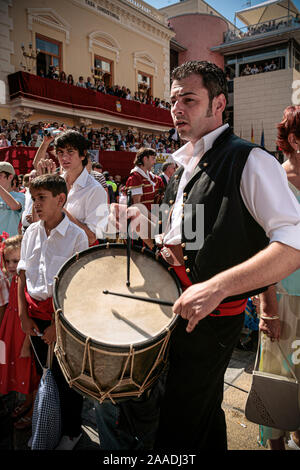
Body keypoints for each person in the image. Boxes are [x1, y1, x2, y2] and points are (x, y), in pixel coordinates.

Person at [96, 60, 300, 451]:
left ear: (219, 103)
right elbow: (185, 236)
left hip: (211, 321)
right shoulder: (182, 166)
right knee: (199, 416)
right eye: (173, 100)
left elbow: (293, 244)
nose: (177, 109)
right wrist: (140, 223)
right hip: (175, 309)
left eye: (189, 99)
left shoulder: (250, 160)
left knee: (180, 423)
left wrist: (218, 287)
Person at [17, 174, 89, 450]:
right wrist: (24, 315)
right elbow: (23, 276)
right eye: (34, 198)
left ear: (61, 200)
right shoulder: (32, 232)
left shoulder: (76, 236)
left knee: (67, 379)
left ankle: (72, 431)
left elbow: (79, 286)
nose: (36, 204)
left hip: (62, 319)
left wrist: (58, 326)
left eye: (42, 198)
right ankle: (50, 422)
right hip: (34, 319)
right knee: (44, 372)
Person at [258, 105, 300, 451]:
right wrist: (267, 308)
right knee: (277, 379)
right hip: (284, 298)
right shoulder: (276, 184)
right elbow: (262, 250)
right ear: (295, 141)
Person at [32, 130, 109, 245]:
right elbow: (37, 220)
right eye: (60, 152)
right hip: (49, 250)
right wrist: (42, 190)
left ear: (83, 154)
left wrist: (58, 206)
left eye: (70, 151)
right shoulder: (55, 183)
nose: (64, 157)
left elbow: (91, 238)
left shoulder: (95, 190)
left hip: (76, 258)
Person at [0, 234, 40, 430]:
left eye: (15, 261)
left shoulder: (26, 280)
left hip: (22, 331)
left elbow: (30, 314)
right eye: (7, 261)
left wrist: (26, 344)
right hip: (11, 329)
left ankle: (33, 411)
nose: (10, 265)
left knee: (29, 371)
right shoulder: (13, 278)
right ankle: (26, 402)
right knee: (17, 367)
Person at [125, 148, 158, 215]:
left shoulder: (149, 176)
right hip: (140, 220)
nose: (155, 162)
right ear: (145, 159)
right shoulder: (136, 177)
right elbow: (137, 205)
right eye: (153, 158)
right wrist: (153, 219)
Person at [0, 162, 25, 236]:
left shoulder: (20, 196)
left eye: (0, 175)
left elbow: (15, 206)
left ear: (10, 177)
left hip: (9, 244)